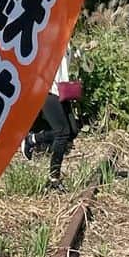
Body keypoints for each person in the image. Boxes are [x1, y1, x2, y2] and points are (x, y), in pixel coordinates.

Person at [22, 45, 78, 190]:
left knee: (72, 131)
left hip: (62, 91)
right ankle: (54, 178)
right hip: (48, 91)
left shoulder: (68, 43)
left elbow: (72, 63)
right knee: (62, 132)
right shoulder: (53, 39)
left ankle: (33, 139)